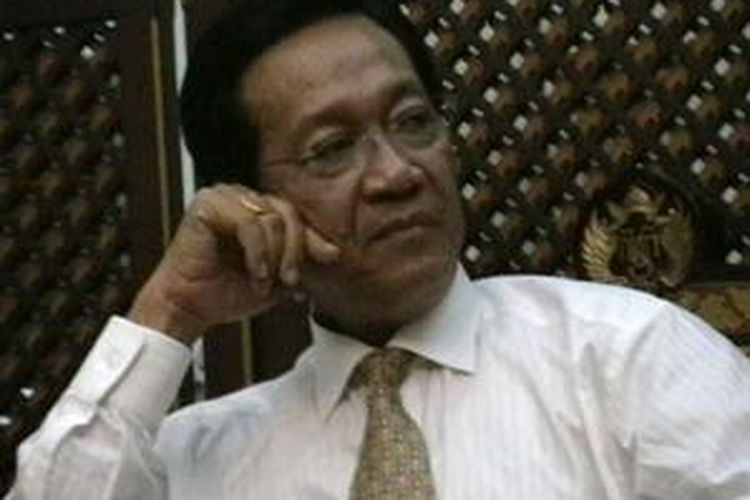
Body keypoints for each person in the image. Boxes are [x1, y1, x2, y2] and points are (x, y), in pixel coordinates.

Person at [8, 0, 750, 498]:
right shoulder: (201, 457)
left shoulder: (625, 360)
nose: (397, 173)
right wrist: (169, 310)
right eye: (332, 148)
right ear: (251, 200)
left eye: (413, 121)